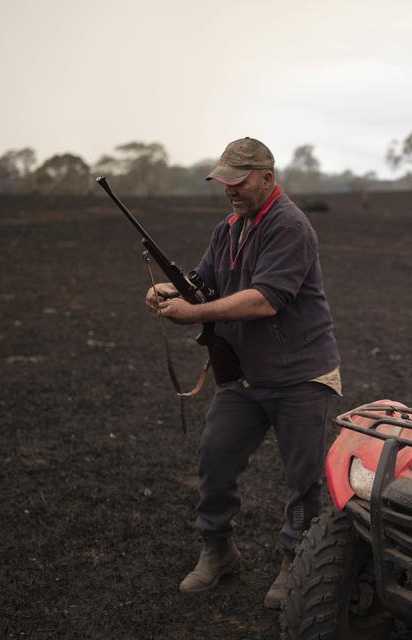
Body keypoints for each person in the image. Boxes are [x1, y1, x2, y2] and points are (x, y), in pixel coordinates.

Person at [145, 137, 340, 609]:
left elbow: (263, 299)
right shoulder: (227, 228)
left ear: (267, 178)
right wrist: (168, 290)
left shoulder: (290, 226)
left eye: (238, 180)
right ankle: (218, 550)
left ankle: (296, 561)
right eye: (223, 180)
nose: (229, 189)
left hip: (301, 375)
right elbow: (204, 283)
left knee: (303, 480)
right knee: (214, 459)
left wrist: (194, 316)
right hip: (244, 376)